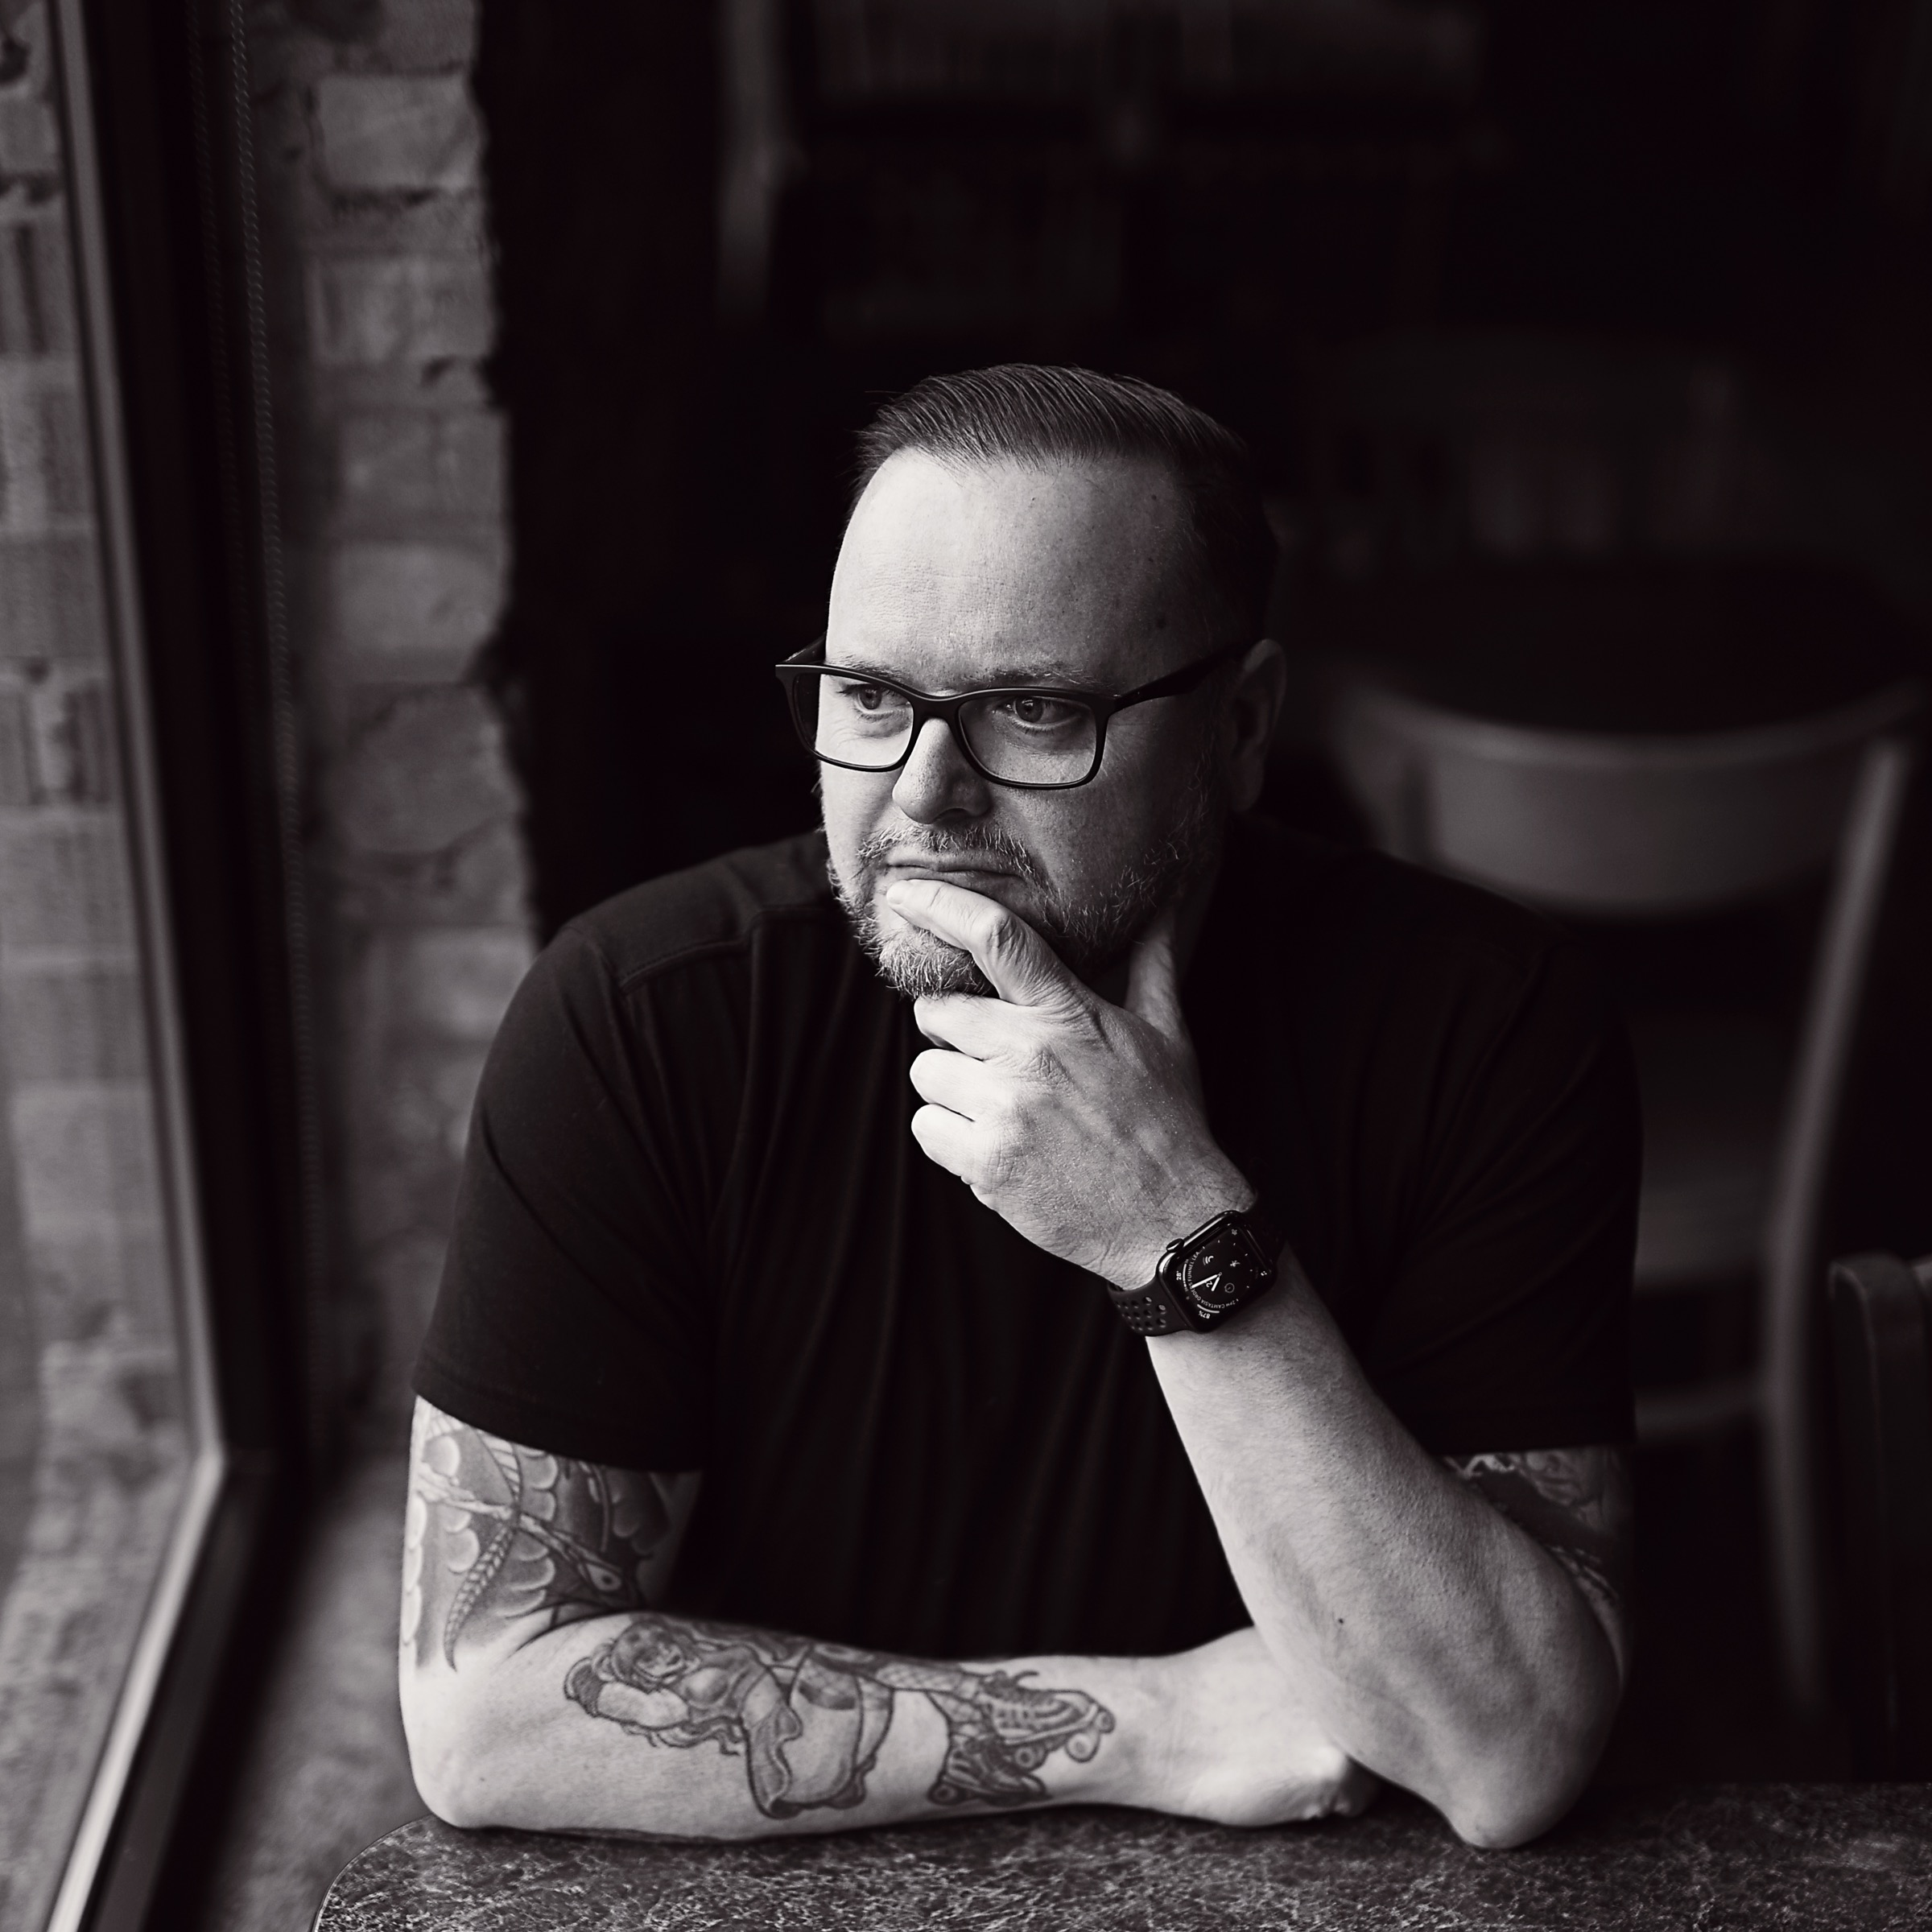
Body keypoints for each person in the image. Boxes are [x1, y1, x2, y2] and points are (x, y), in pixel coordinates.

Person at [401, 365, 1639, 1849]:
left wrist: (1178, 1232)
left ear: (1239, 728)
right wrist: (1152, 1726)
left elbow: (1506, 1750)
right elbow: (487, 1711)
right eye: (869, 697)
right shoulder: (641, 1021)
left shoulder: (1483, 1024)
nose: (922, 794)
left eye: (1034, 711)